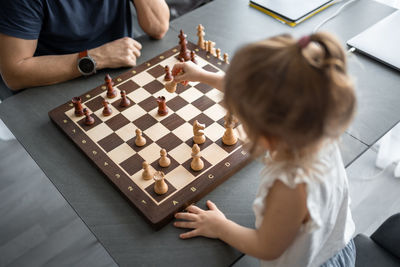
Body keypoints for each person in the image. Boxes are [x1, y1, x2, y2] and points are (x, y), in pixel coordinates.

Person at [172, 32, 357, 267]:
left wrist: (220, 226)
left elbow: (266, 247)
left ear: (268, 129)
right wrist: (203, 75)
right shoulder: (317, 126)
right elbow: (251, 93)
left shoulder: (290, 184)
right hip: (335, 244)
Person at [0, 0, 169, 91]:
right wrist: (96, 58)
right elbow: (14, 74)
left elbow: (158, 27)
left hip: (123, 69)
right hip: (59, 85)